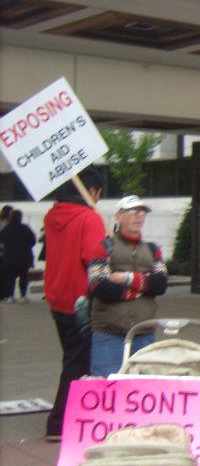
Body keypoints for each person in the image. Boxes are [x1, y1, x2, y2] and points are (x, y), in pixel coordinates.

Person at [42, 168, 107, 441]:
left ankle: (72, 415)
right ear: (91, 191)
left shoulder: (51, 215)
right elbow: (95, 258)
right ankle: (59, 422)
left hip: (57, 296)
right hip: (82, 300)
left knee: (72, 356)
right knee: (78, 361)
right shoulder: (89, 218)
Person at [87, 196, 168, 376]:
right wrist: (143, 286)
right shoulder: (102, 248)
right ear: (118, 216)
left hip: (144, 331)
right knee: (107, 388)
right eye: (132, 211)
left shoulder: (153, 249)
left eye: (142, 212)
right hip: (109, 332)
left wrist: (126, 278)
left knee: (144, 389)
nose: (139, 216)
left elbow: (161, 285)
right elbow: (99, 287)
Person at [0, 210, 37, 303]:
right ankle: (23, 295)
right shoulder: (25, 228)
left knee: (10, 278)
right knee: (24, 277)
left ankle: (10, 296)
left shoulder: (6, 229)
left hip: (9, 257)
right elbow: (32, 241)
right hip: (24, 257)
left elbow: (1, 241)